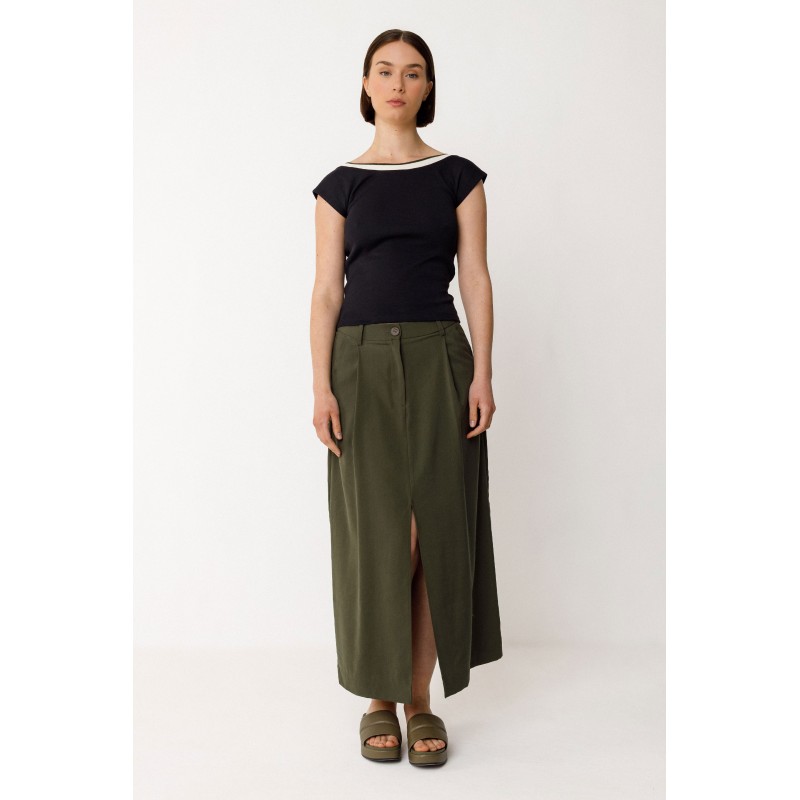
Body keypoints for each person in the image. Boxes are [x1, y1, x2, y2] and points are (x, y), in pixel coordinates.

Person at [310, 29, 503, 767]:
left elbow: (475, 276)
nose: (398, 83)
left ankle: (417, 697)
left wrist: (482, 372)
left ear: (428, 87)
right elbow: (326, 290)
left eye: (413, 72)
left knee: (431, 528)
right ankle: (377, 698)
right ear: (366, 84)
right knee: (378, 533)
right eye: (385, 71)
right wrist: (321, 384)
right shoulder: (339, 185)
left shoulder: (458, 177)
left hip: (437, 355)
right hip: (357, 362)